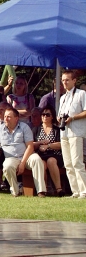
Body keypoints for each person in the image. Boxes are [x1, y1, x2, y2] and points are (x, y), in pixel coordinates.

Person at [0, 106, 45, 197]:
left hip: (27, 156)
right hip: (11, 158)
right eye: (5, 116)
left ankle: (41, 191)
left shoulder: (24, 127)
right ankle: (15, 191)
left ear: (16, 118)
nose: (6, 118)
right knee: (7, 166)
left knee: (37, 159)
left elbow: (30, 147)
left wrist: (22, 163)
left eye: (9, 116)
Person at [58, 70, 86, 198]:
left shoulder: (81, 94)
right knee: (68, 164)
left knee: (77, 163)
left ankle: (84, 191)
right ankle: (75, 191)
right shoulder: (63, 97)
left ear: (74, 80)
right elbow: (60, 115)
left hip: (76, 132)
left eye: (67, 80)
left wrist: (73, 118)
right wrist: (60, 119)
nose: (64, 82)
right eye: (63, 80)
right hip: (64, 133)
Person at [33, 107, 63, 196]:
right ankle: (43, 189)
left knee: (51, 161)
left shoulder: (56, 130)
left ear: (52, 117)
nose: (45, 116)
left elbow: (61, 144)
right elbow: (31, 144)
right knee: (41, 163)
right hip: (41, 155)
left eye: (47, 114)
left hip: (55, 154)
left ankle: (59, 189)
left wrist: (48, 146)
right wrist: (40, 143)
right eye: (43, 114)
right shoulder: (36, 129)